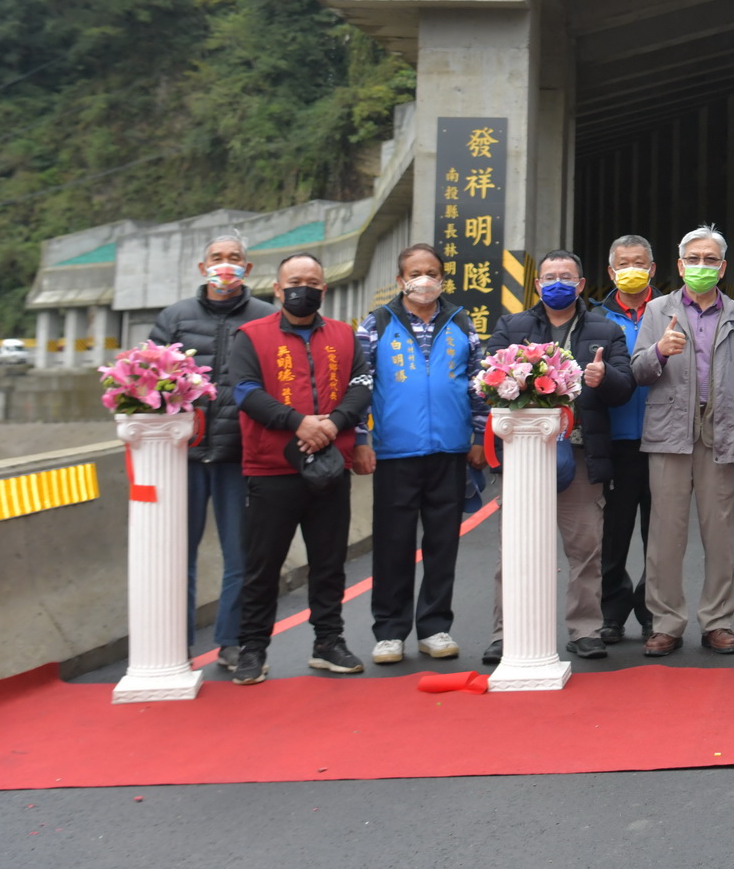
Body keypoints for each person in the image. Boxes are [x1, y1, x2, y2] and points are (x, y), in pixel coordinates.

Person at [229, 253, 375, 685]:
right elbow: (244, 391)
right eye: (294, 281)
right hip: (272, 468)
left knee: (329, 561)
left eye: (312, 281)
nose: (303, 287)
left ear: (323, 289)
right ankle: (253, 647)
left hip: (331, 465)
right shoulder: (250, 337)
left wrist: (331, 424)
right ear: (277, 289)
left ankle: (328, 642)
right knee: (263, 564)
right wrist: (299, 423)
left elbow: (361, 385)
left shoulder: (345, 336)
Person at [482, 250, 633, 665]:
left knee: (585, 547)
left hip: (582, 453)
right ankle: (505, 631)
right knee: (514, 548)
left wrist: (604, 379)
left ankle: (585, 629)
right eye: (550, 276)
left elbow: (625, 387)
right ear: (536, 285)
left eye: (567, 276)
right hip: (525, 455)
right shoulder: (512, 327)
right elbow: (485, 380)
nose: (558, 283)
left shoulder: (606, 329)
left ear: (582, 284)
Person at [147, 232, 274, 672]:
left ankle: (232, 641)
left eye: (235, 258)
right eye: (217, 258)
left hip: (240, 454)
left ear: (248, 269)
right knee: (175, 553)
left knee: (240, 554)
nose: (226, 265)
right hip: (182, 455)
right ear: (203, 268)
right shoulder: (175, 317)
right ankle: (172, 642)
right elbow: (149, 379)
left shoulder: (265, 319)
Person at [355, 243, 486, 666]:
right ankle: (390, 631)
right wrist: (361, 440)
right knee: (393, 543)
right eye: (415, 272)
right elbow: (359, 386)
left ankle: (434, 627)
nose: (424, 279)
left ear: (443, 279)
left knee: (442, 542)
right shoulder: (375, 324)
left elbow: (478, 382)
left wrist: (480, 437)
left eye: (432, 272)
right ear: (400, 280)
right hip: (395, 452)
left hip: (450, 450)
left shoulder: (462, 322)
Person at [630, 225, 734, 656]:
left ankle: (717, 621)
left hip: (721, 433)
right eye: (693, 259)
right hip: (669, 434)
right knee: (666, 534)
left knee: (720, 533)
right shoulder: (656, 312)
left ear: (722, 268)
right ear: (680, 266)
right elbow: (638, 371)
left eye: (710, 260)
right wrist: (660, 350)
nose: (701, 266)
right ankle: (666, 622)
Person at [594, 234, 659, 643]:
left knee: (661, 533)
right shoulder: (596, 319)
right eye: (623, 263)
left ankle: (653, 608)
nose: (631, 269)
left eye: (639, 262)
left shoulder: (671, 312)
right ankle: (612, 610)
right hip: (615, 440)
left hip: (662, 440)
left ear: (653, 269)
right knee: (613, 533)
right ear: (611, 271)